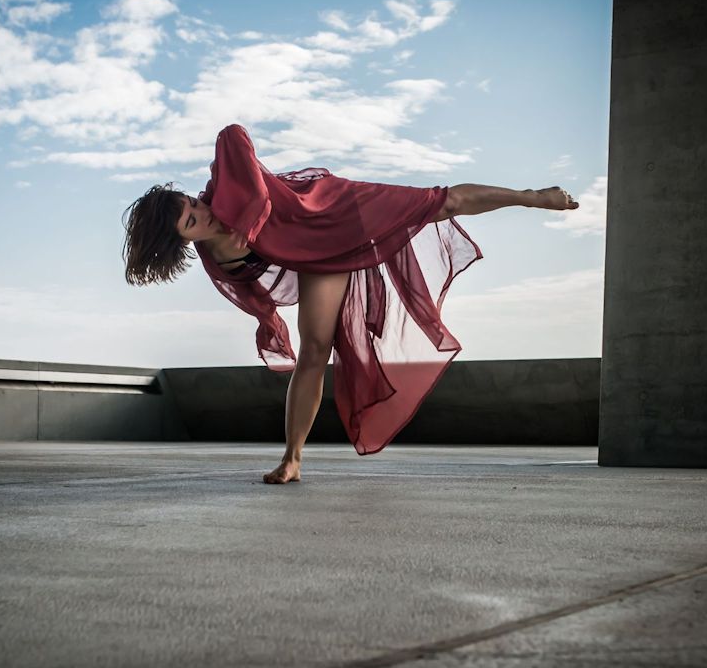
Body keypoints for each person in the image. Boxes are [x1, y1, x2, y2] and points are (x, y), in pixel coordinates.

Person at [122, 123, 578, 484]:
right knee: (315, 351)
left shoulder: (222, 186)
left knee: (443, 202)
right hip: (318, 256)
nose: (202, 214)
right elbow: (254, 290)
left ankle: (533, 198)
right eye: (190, 222)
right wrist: (269, 322)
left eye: (192, 205)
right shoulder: (215, 256)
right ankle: (293, 460)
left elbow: (232, 134)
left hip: (336, 209)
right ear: (181, 241)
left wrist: (254, 213)